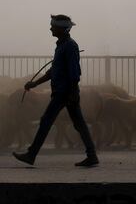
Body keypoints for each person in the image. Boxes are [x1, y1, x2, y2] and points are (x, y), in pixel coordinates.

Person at [13, 14, 99, 167]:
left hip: (64, 92)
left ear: (62, 29)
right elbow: (53, 72)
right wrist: (34, 84)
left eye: (53, 26)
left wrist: (72, 92)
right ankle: (92, 155)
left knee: (47, 120)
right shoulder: (62, 46)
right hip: (64, 91)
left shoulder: (70, 46)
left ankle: (31, 154)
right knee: (79, 123)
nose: (51, 28)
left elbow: (74, 72)